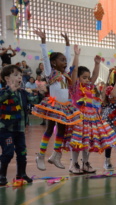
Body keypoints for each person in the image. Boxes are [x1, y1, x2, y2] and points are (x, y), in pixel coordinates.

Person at [63, 50, 116, 174]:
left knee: (87, 141)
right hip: (78, 118)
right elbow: (74, 72)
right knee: (77, 141)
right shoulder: (74, 86)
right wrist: (77, 56)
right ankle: (73, 163)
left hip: (91, 118)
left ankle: (85, 163)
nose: (87, 80)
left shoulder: (89, 86)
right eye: (84, 77)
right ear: (77, 78)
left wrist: (97, 64)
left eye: (88, 78)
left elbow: (94, 76)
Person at [32, 29, 82, 171]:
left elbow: (67, 56)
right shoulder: (50, 72)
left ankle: (56, 155)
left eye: (65, 61)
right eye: (62, 60)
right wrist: (43, 41)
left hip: (65, 106)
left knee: (62, 129)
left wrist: (67, 44)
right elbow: (45, 57)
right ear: (53, 63)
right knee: (49, 128)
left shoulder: (65, 73)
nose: (65, 62)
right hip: (53, 104)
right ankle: (41, 155)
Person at [0, 65, 38, 186]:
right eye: (16, 75)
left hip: (20, 129)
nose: (19, 77)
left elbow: (34, 100)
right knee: (8, 152)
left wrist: (42, 93)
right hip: (6, 129)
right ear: (7, 78)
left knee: (22, 152)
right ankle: (2, 175)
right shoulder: (4, 92)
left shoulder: (23, 93)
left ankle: (21, 173)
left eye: (20, 75)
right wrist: (10, 90)